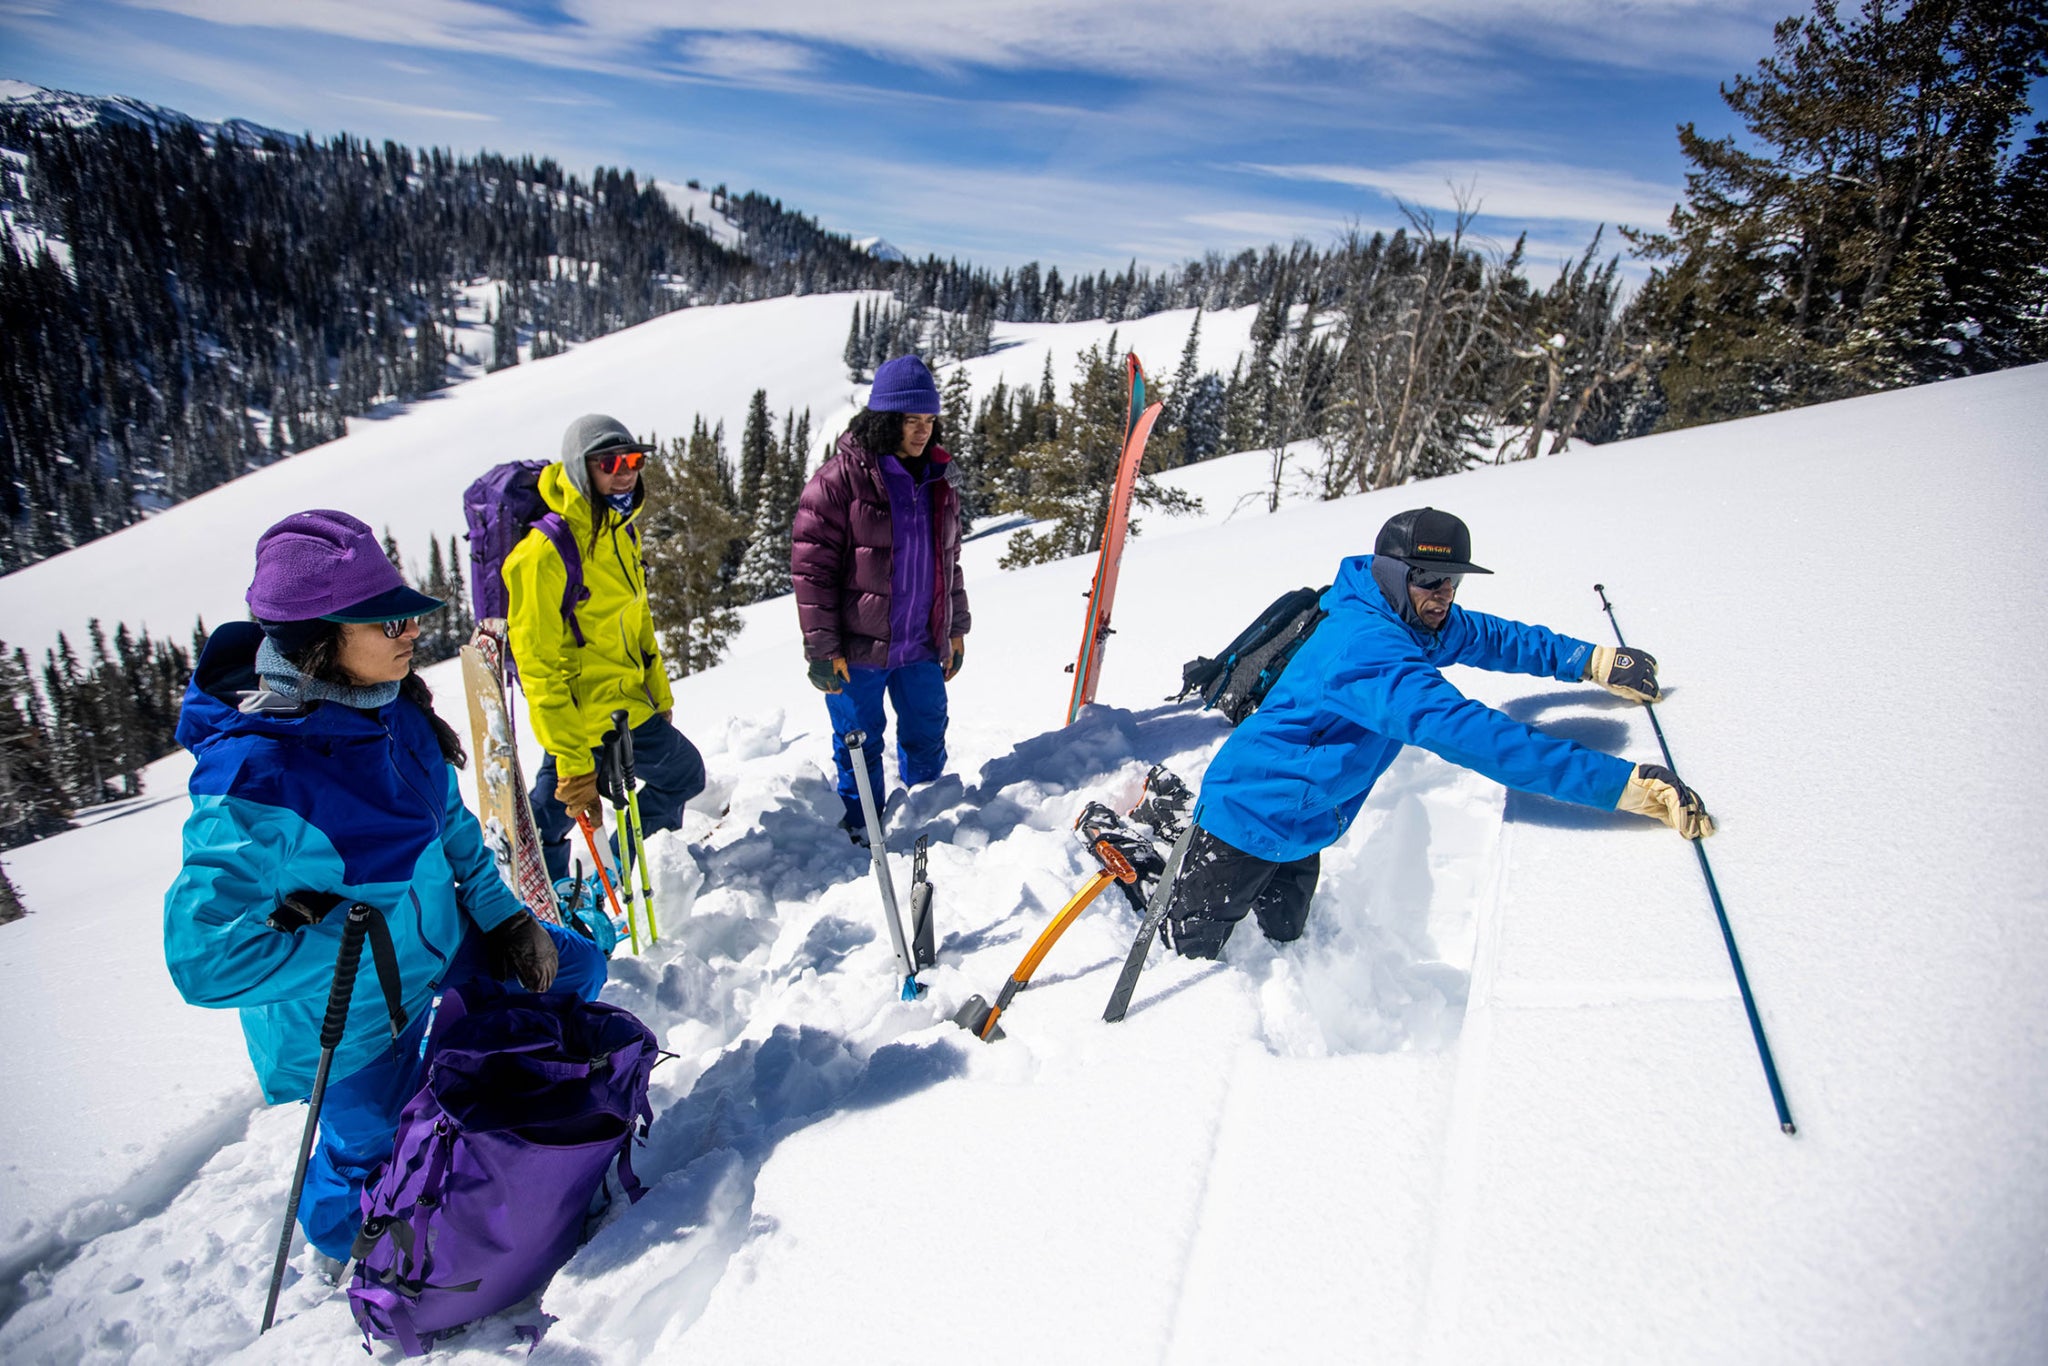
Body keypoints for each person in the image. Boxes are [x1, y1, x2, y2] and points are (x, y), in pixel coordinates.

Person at [163, 509, 607, 1264]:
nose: (411, 632)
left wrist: (502, 921)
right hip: (353, 1017)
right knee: (364, 1187)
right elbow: (202, 959)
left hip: (445, 947)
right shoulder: (254, 775)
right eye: (388, 621)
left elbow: (453, 828)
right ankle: (352, 1236)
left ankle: (469, 1106)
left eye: (406, 614)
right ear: (319, 642)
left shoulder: (391, 705)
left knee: (574, 968)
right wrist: (346, 944)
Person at [1162, 506, 1713, 959]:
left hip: (1305, 819)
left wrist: (1593, 661)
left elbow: (1495, 638)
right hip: (1247, 814)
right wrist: (1621, 786)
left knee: (1282, 939)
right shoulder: (1367, 651)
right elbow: (1474, 734)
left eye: (1451, 580)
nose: (1443, 594)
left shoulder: (1411, 615)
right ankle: (1154, 851)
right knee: (1189, 954)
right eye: (1427, 579)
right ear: (1391, 573)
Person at [513, 414, 705, 882]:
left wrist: (659, 699)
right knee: (552, 817)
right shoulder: (544, 552)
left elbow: (639, 625)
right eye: (609, 461)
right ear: (582, 468)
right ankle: (550, 902)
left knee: (684, 774)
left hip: (628, 708)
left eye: (634, 459)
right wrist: (572, 758)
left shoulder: (622, 531)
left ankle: (620, 873)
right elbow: (537, 666)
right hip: (578, 719)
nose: (625, 470)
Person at [792, 355, 971, 841]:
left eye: (929, 421)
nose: (921, 432)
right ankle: (861, 830)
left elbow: (948, 560)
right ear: (884, 420)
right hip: (857, 652)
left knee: (927, 733)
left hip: (919, 644)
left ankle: (925, 819)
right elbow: (812, 573)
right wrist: (823, 649)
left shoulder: (938, 479)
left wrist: (955, 628)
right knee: (858, 743)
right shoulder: (837, 481)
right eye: (911, 421)